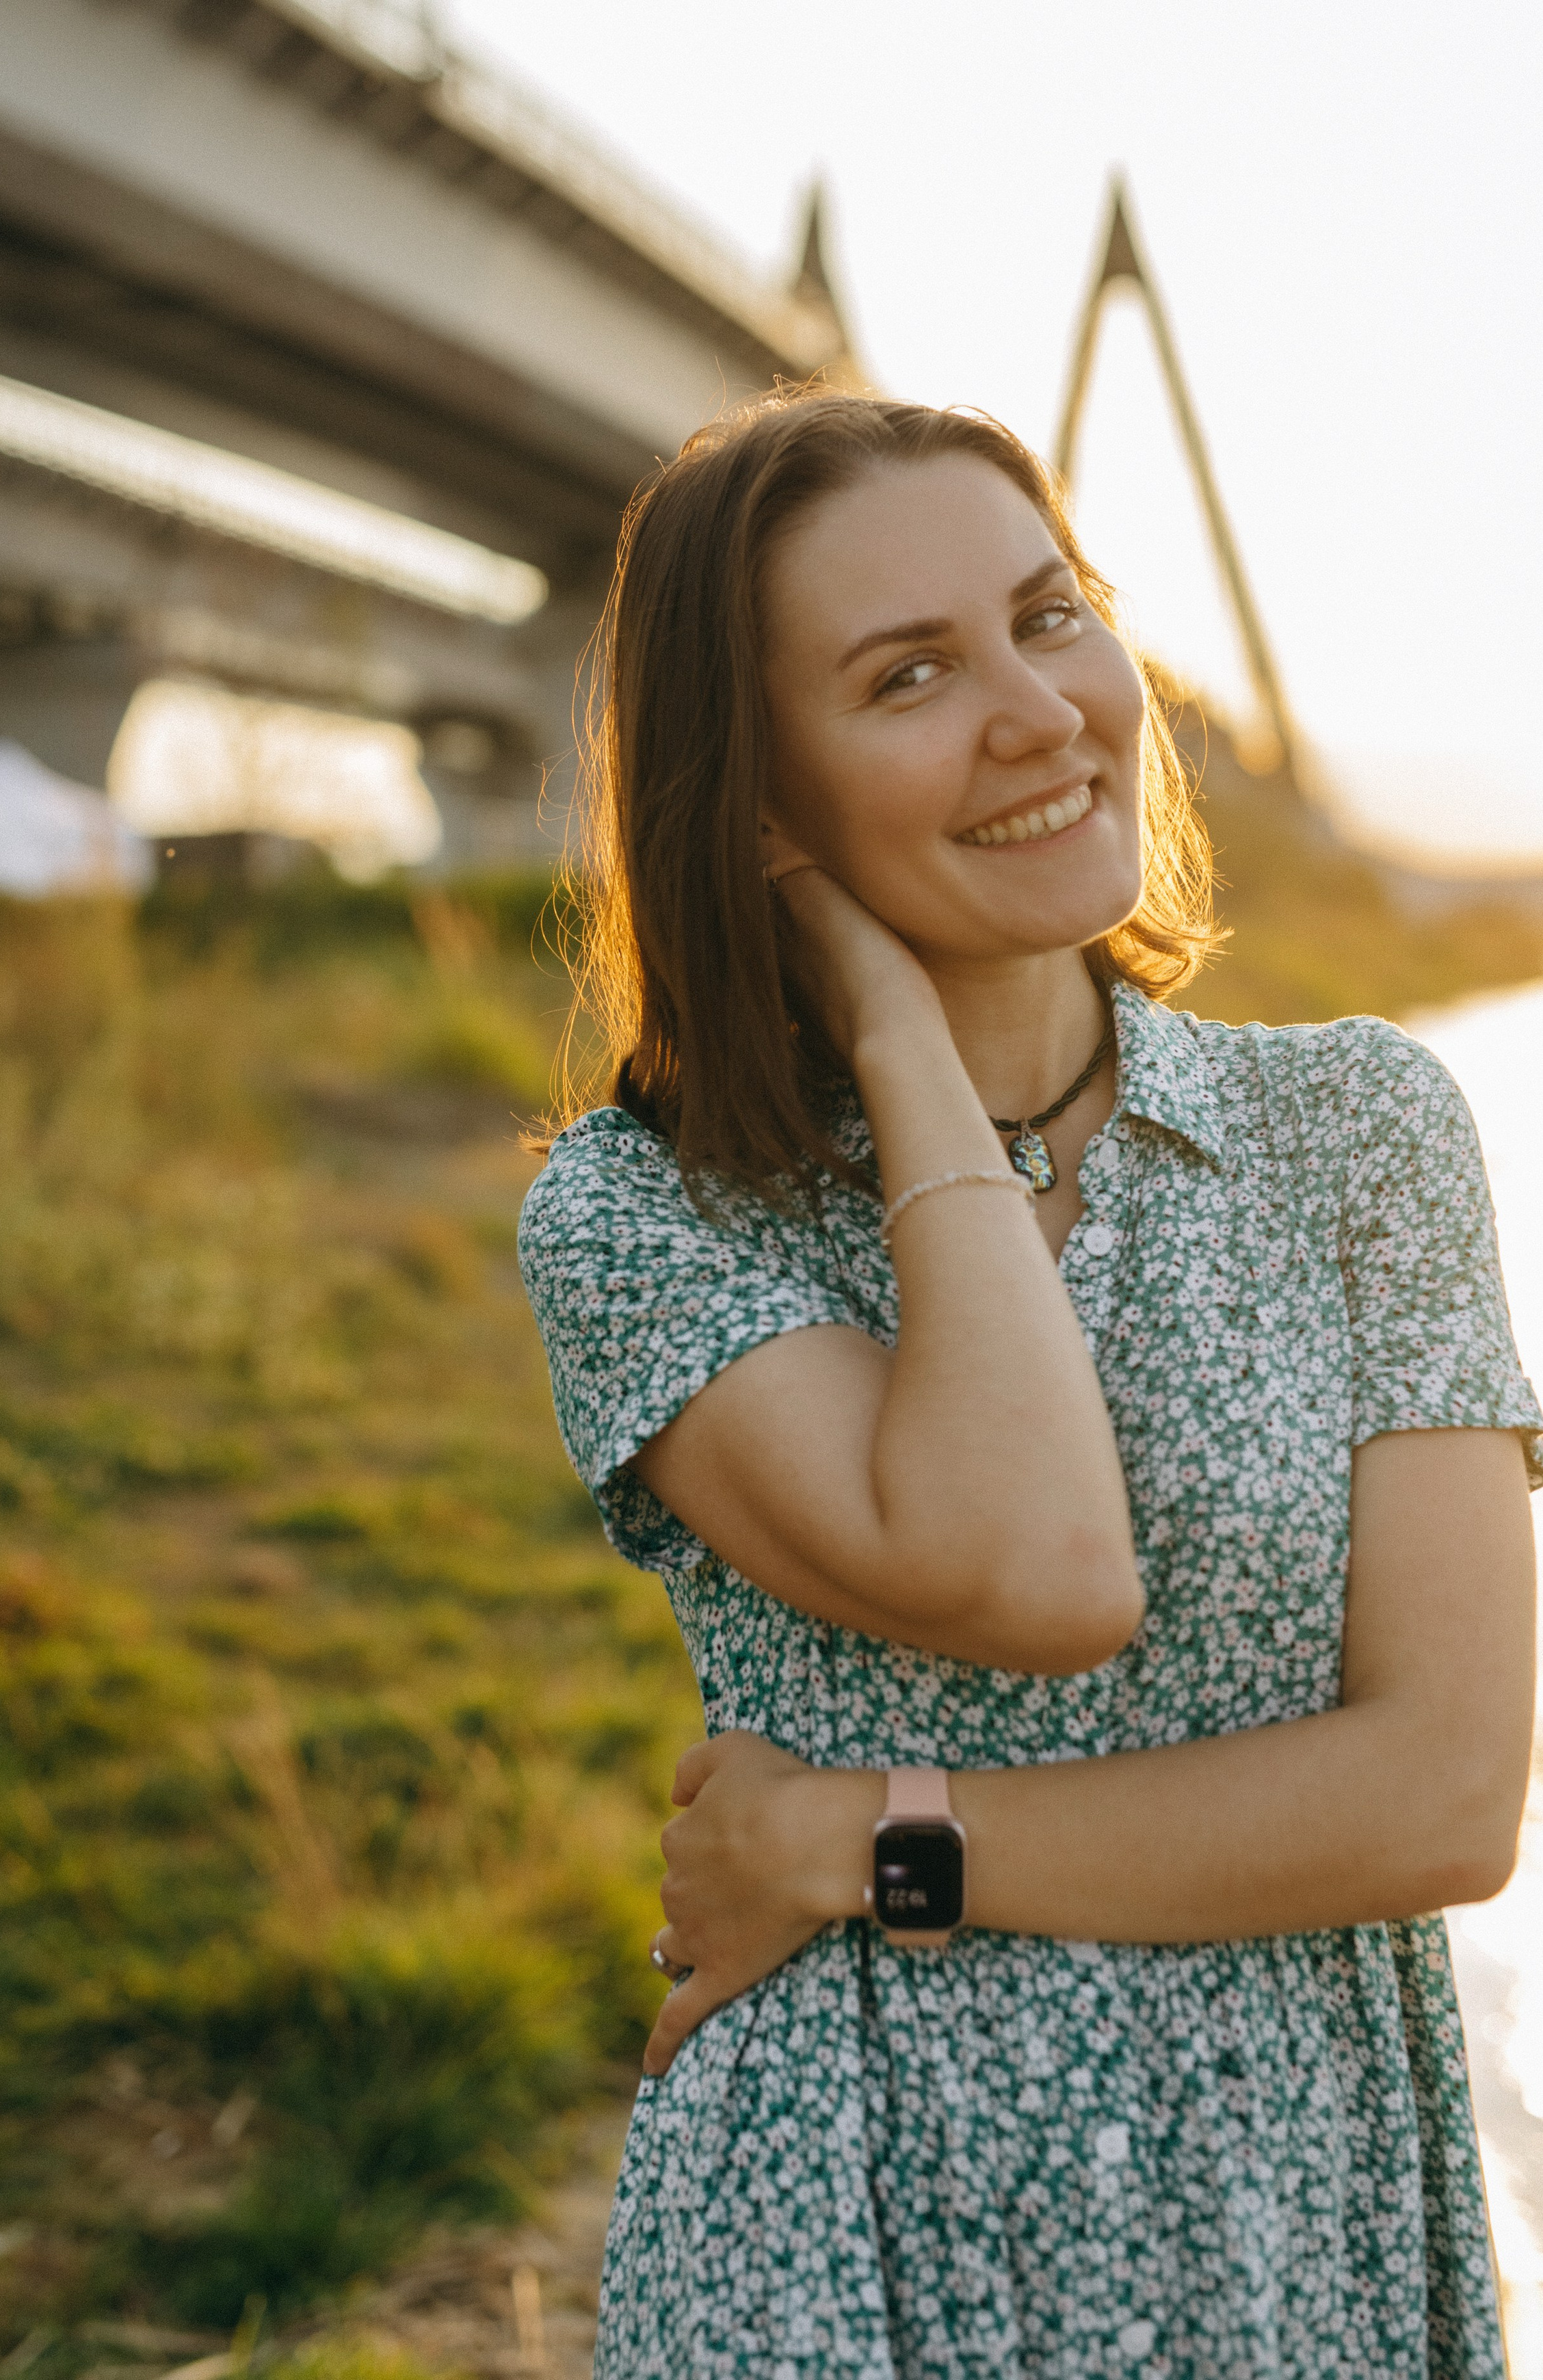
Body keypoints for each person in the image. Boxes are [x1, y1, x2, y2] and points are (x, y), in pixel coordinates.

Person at [517, 389, 1540, 2379]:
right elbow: (1038, 1567)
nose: (1042, 711)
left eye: (1050, 613)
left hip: (1293, 2205)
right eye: (910, 676)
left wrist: (859, 1840)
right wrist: (906, 1045)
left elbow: (1443, 1799)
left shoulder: (1362, 1132)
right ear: (762, 804)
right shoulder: (640, 1217)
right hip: (848, 2222)